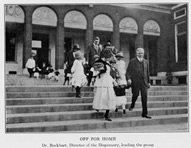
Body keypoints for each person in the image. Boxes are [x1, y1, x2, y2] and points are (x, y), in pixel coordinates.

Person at [126, 48, 152, 119]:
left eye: (142, 53)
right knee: (135, 94)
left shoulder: (146, 62)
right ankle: (132, 104)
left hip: (144, 82)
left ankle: (145, 113)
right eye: (139, 53)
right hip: (135, 82)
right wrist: (128, 79)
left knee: (144, 97)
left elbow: (147, 73)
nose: (141, 54)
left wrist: (149, 82)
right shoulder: (132, 61)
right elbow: (128, 72)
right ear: (136, 53)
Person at [92, 47, 116, 121]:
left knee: (109, 96)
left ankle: (107, 114)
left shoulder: (108, 63)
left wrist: (113, 80)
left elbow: (108, 73)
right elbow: (95, 71)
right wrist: (99, 70)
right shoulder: (100, 62)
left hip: (107, 81)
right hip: (102, 81)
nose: (109, 59)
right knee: (102, 96)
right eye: (108, 57)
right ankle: (99, 108)